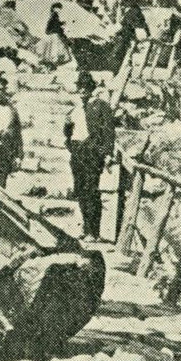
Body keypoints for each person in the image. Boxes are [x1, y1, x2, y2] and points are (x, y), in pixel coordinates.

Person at [65, 71, 116, 240]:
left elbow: (108, 132)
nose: (82, 91)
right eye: (80, 88)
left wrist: (107, 153)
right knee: (80, 190)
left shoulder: (101, 106)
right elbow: (68, 132)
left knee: (91, 190)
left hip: (92, 153)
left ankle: (94, 231)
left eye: (85, 88)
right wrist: (67, 131)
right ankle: (86, 228)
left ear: (91, 89)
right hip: (77, 152)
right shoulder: (75, 109)